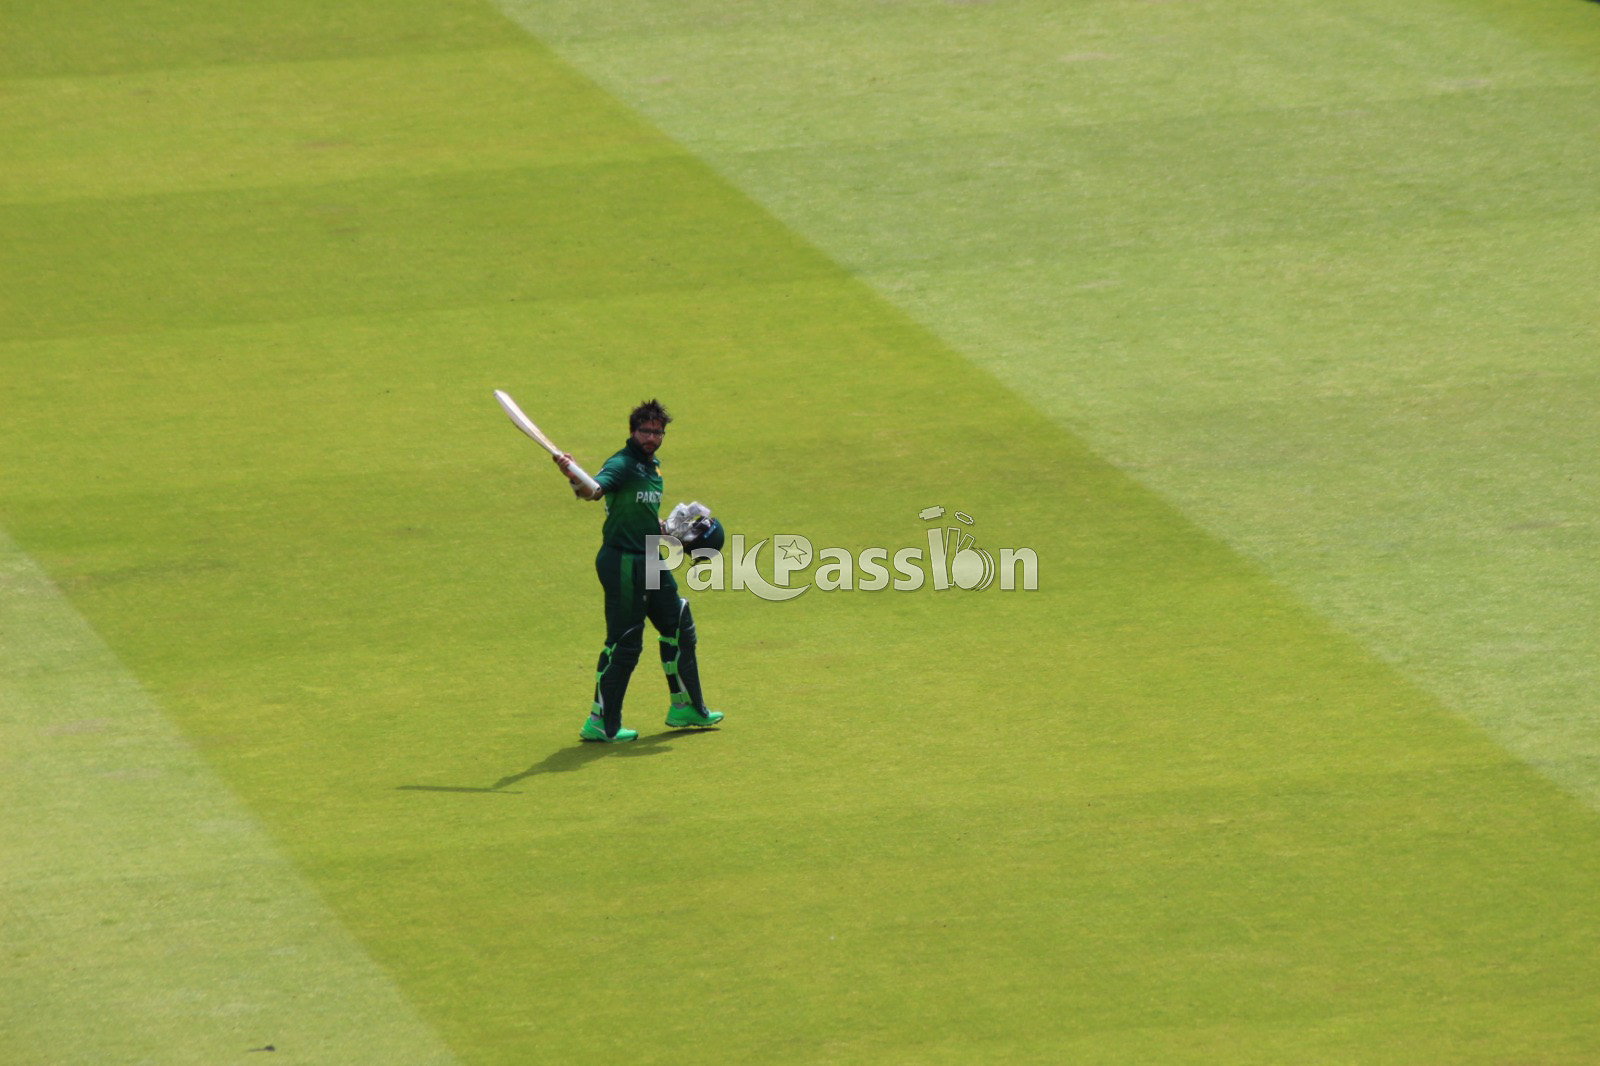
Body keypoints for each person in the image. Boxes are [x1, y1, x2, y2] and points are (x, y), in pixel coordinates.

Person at [555, 400, 724, 743]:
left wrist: (665, 529)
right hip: (624, 562)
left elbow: (637, 510)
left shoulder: (653, 467)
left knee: (677, 623)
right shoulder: (622, 464)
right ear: (632, 431)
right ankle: (601, 722)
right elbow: (594, 491)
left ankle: (686, 707)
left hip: (648, 555)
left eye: (657, 431)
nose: (651, 437)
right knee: (625, 644)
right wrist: (573, 476)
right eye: (645, 431)